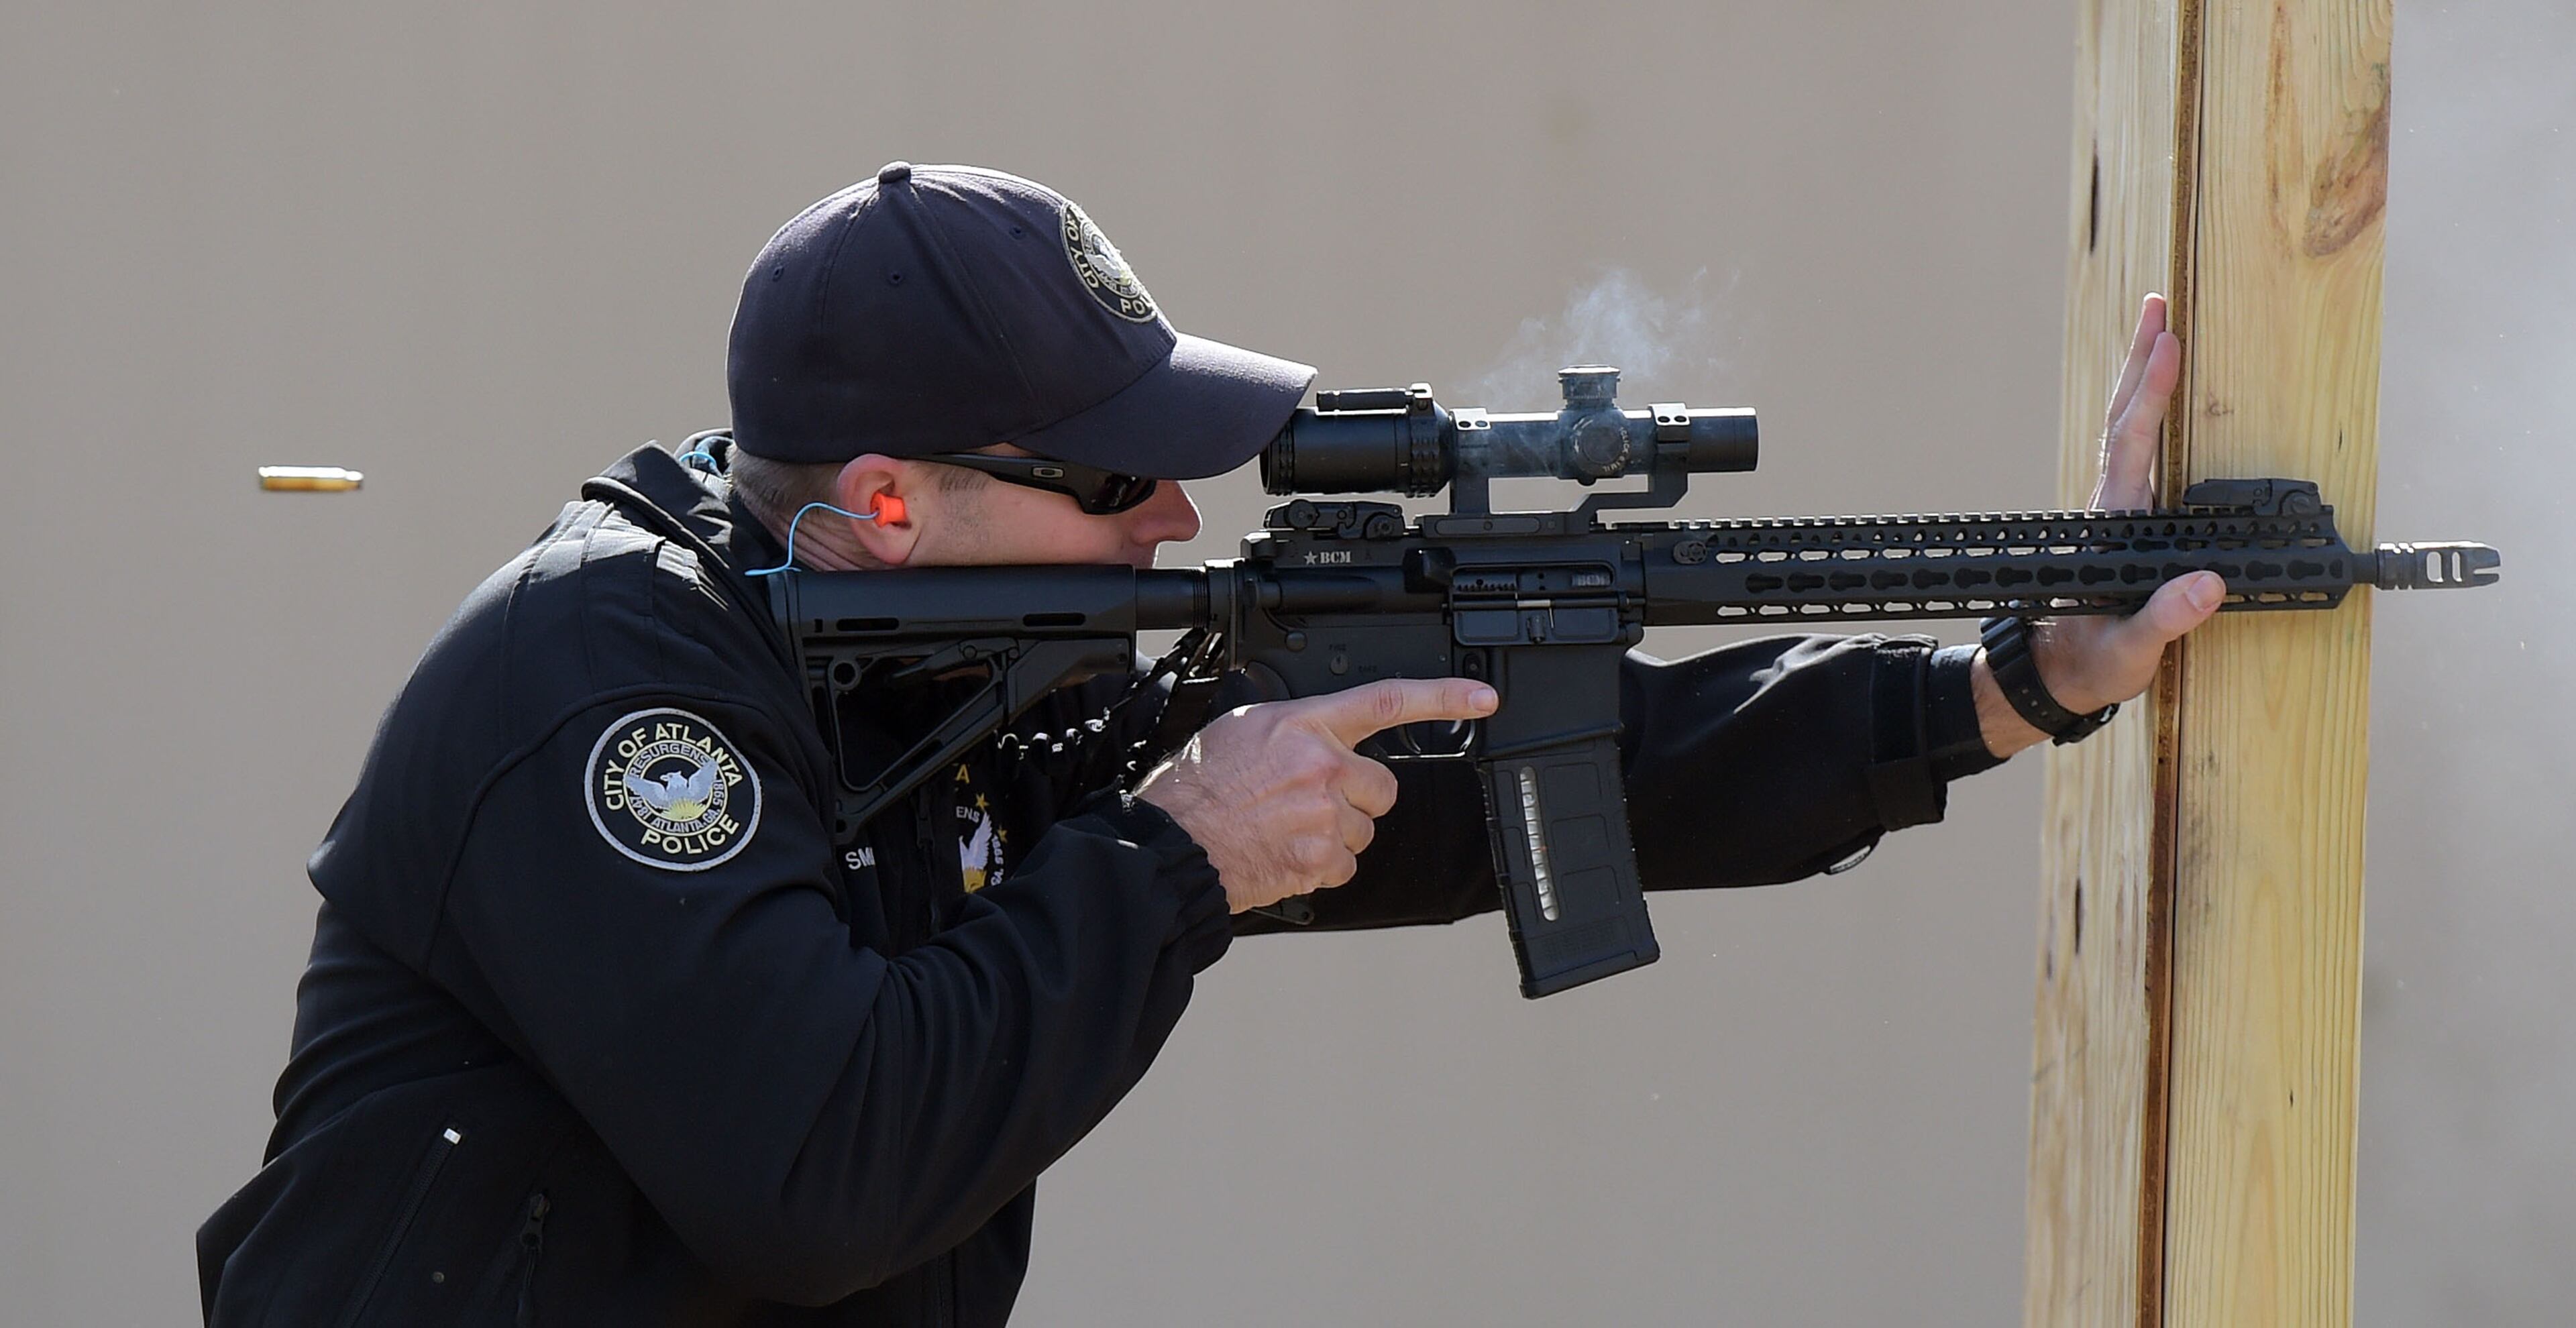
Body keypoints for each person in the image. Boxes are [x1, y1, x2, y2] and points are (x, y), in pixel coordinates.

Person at [196, 162, 2217, 1325]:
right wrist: (1171, 857)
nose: (1177, 523)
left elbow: (1471, 775)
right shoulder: (604, 693)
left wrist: (2000, 676)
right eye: (1113, 480)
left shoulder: (947, 655)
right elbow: (816, 1160)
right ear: (892, 503)